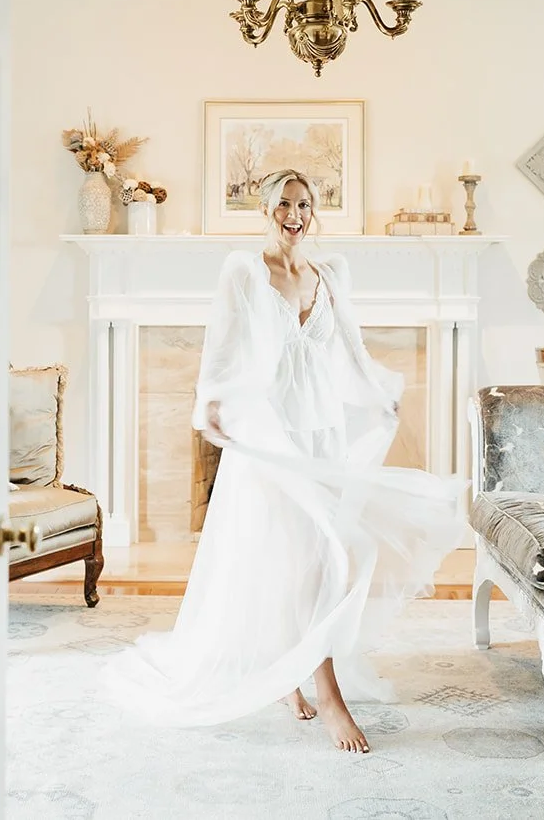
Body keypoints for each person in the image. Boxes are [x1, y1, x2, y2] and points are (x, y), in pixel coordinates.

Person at [108, 169, 466, 753]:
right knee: (307, 559)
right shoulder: (245, 272)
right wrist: (211, 404)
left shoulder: (329, 274)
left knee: (320, 560)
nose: (294, 215)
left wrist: (379, 392)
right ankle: (327, 695)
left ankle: (288, 673)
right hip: (271, 437)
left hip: (320, 434)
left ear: (315, 210)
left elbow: (350, 349)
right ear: (265, 209)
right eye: (283, 204)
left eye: (304, 205)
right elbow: (219, 345)